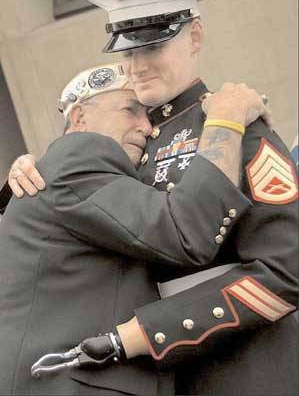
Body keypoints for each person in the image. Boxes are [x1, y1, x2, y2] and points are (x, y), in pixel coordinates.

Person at [6, 0, 298, 396]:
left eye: (154, 44)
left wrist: (151, 332)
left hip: (244, 367)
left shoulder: (235, 127)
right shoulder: (121, 146)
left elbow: (286, 270)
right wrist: (33, 167)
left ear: (194, 37)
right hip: (148, 378)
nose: (137, 65)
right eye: (127, 49)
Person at [1, 62, 266, 395]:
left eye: (151, 117)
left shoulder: (67, 172)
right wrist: (226, 120)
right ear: (80, 118)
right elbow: (187, 232)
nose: (148, 127)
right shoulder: (80, 154)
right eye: (130, 110)